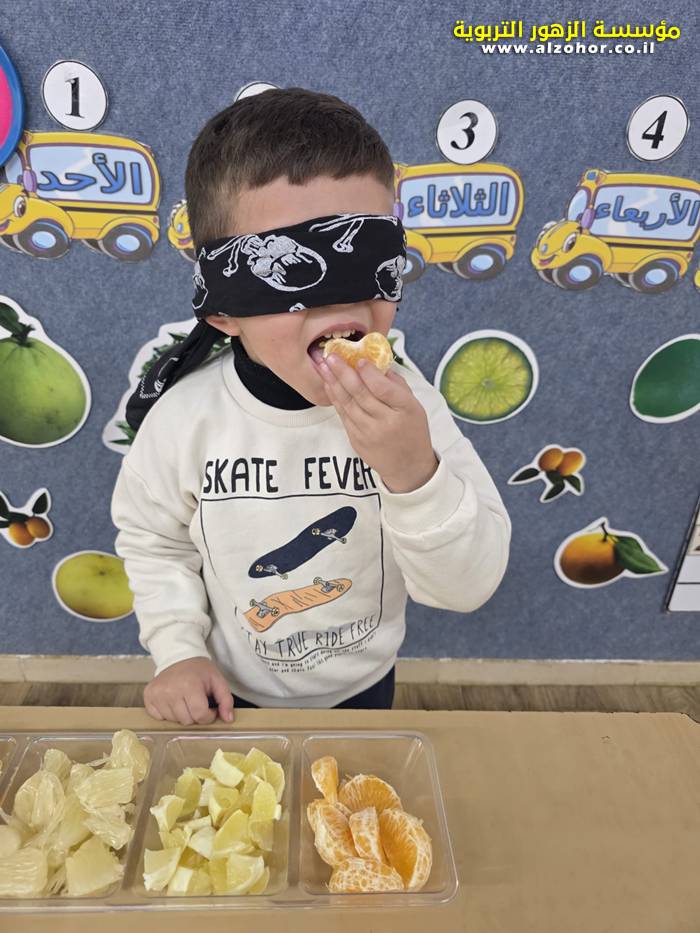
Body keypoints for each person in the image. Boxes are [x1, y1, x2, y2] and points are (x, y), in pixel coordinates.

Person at [110, 87, 511, 725]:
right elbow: (155, 543)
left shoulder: (413, 411)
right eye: (299, 279)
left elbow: (467, 587)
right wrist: (178, 651)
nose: (345, 307)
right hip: (228, 693)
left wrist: (414, 474)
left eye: (371, 266)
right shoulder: (185, 423)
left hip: (367, 685)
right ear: (225, 309)